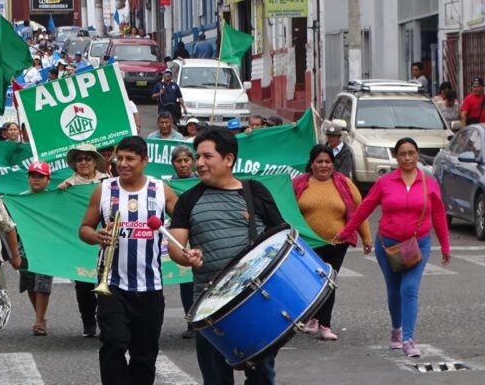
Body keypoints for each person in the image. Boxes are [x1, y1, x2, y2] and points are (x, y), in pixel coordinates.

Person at [168, 127, 285, 384]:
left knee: (262, 376)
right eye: (197, 156)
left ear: (229, 159)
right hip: (209, 307)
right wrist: (186, 257)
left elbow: (282, 241)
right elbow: (175, 246)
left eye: (207, 156)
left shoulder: (255, 192)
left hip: (254, 304)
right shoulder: (188, 200)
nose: (199, 163)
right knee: (216, 379)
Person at [335, 137, 451, 357]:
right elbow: (365, 208)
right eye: (402, 154)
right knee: (394, 290)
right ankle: (396, 330)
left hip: (418, 245)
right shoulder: (385, 182)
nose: (407, 158)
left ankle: (408, 339)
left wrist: (445, 245)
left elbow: (439, 215)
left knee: (409, 289)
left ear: (417, 155)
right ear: (396, 157)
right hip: (387, 245)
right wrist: (347, 230)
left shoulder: (429, 183)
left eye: (411, 153)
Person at [79, 136, 179, 385]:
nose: (122, 164)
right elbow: (84, 229)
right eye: (119, 158)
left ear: (145, 161)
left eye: (130, 159)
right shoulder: (103, 190)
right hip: (112, 284)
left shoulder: (160, 190)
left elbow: (183, 223)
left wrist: (187, 247)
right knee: (113, 342)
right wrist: (96, 235)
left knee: (144, 354)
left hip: (150, 286)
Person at [292, 145, 372, 340]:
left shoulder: (344, 184)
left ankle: (325, 325)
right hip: (307, 245)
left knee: (328, 282)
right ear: (311, 163)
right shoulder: (298, 184)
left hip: (337, 243)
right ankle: (312, 318)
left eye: (328, 162)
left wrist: (367, 238)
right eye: (319, 161)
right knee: (311, 284)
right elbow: (287, 211)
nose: (324, 165)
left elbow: (359, 211)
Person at [59, 143, 108, 337]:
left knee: (106, 285)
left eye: (88, 158)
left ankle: (106, 323)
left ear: (95, 161)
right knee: (83, 285)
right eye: (79, 159)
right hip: (79, 244)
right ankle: (88, 323)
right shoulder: (65, 186)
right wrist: (61, 191)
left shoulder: (108, 182)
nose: (84, 162)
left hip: (104, 241)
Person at [18, 160, 55, 336]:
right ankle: (39, 315)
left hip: (46, 249)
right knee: (30, 284)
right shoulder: (20, 199)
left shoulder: (55, 199)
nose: (36, 179)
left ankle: (40, 320)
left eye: (40, 176)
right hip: (25, 248)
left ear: (48, 179)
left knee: (43, 284)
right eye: (33, 175)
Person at [167, 145, 198, 339]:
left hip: (202, 234)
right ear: (173, 164)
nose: (183, 164)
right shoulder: (168, 186)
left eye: (187, 160)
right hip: (181, 237)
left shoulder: (203, 180)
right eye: (179, 161)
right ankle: (191, 321)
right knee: (186, 281)